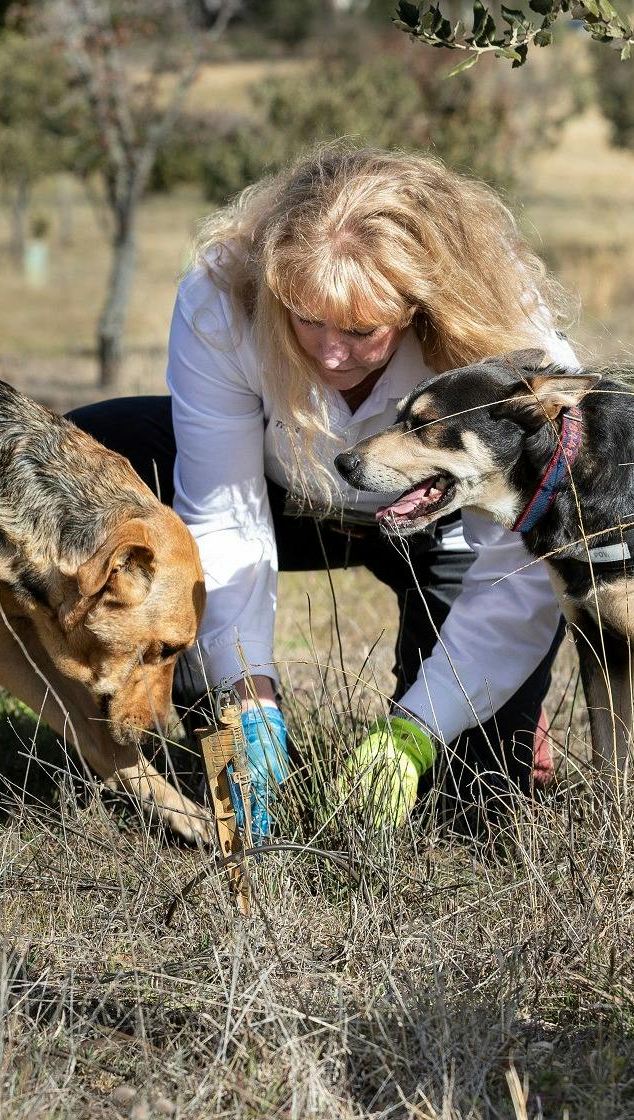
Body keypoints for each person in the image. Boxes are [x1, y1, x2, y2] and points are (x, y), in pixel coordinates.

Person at [69, 145, 576, 831]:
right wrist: (247, 690)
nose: (331, 354)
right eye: (308, 320)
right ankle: (195, 736)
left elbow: (524, 561)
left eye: (363, 331)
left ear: (420, 308)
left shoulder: (504, 323)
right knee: (99, 453)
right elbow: (221, 517)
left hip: (438, 522)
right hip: (288, 497)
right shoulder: (222, 299)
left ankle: (489, 710)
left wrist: (420, 728)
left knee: (472, 797)